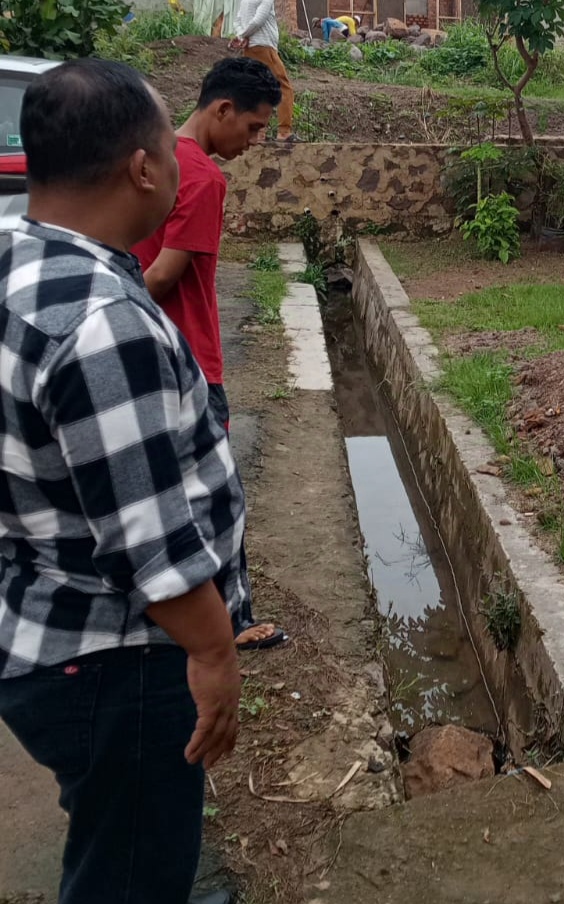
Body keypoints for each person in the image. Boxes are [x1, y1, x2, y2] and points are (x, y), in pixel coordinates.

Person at [0, 58, 243, 904]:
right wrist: (214, 653)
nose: (178, 164)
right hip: (117, 660)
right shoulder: (104, 323)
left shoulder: (17, 259)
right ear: (142, 168)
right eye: (167, 148)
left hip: (41, 619)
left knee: (117, 825)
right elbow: (151, 546)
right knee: (133, 858)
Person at [133, 57, 288, 653]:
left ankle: (164, 610)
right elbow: (167, 275)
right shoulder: (201, 178)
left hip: (148, 355)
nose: (252, 144)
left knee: (160, 488)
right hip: (190, 359)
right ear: (221, 110)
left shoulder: (159, 158)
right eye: (251, 128)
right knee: (217, 494)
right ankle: (232, 619)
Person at [231, 0, 295, 141]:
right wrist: (244, 35)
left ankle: (258, 133)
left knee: (259, 89)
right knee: (284, 86)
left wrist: (242, 35)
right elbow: (258, 20)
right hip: (265, 47)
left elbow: (237, 20)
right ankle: (284, 132)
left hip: (250, 49)